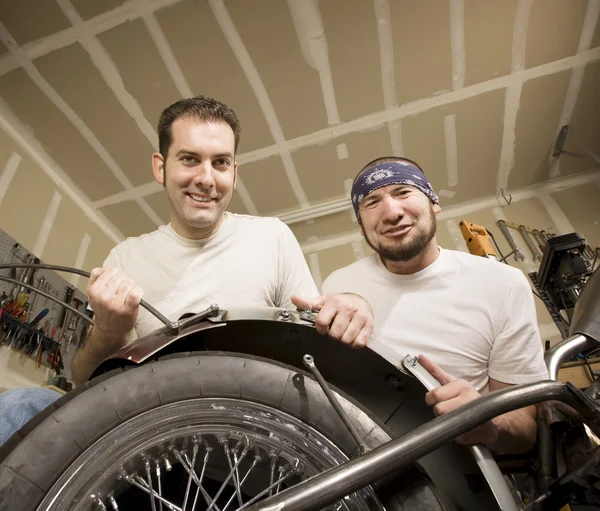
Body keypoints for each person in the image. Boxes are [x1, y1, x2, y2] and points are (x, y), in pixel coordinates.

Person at [0, 96, 373, 446]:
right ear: (161, 168)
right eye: (190, 159)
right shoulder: (127, 256)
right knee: (17, 408)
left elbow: (311, 348)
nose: (206, 179)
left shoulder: (271, 236)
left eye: (220, 163)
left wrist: (349, 307)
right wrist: (109, 331)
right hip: (151, 431)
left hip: (253, 427)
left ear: (234, 172)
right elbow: (83, 380)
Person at [322, 156, 549, 454]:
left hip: (463, 472)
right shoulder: (338, 287)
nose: (391, 212)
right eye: (371, 202)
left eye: (403, 192)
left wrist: (487, 420)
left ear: (433, 202)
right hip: (363, 461)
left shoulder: (502, 284)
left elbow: (527, 429)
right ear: (361, 225)